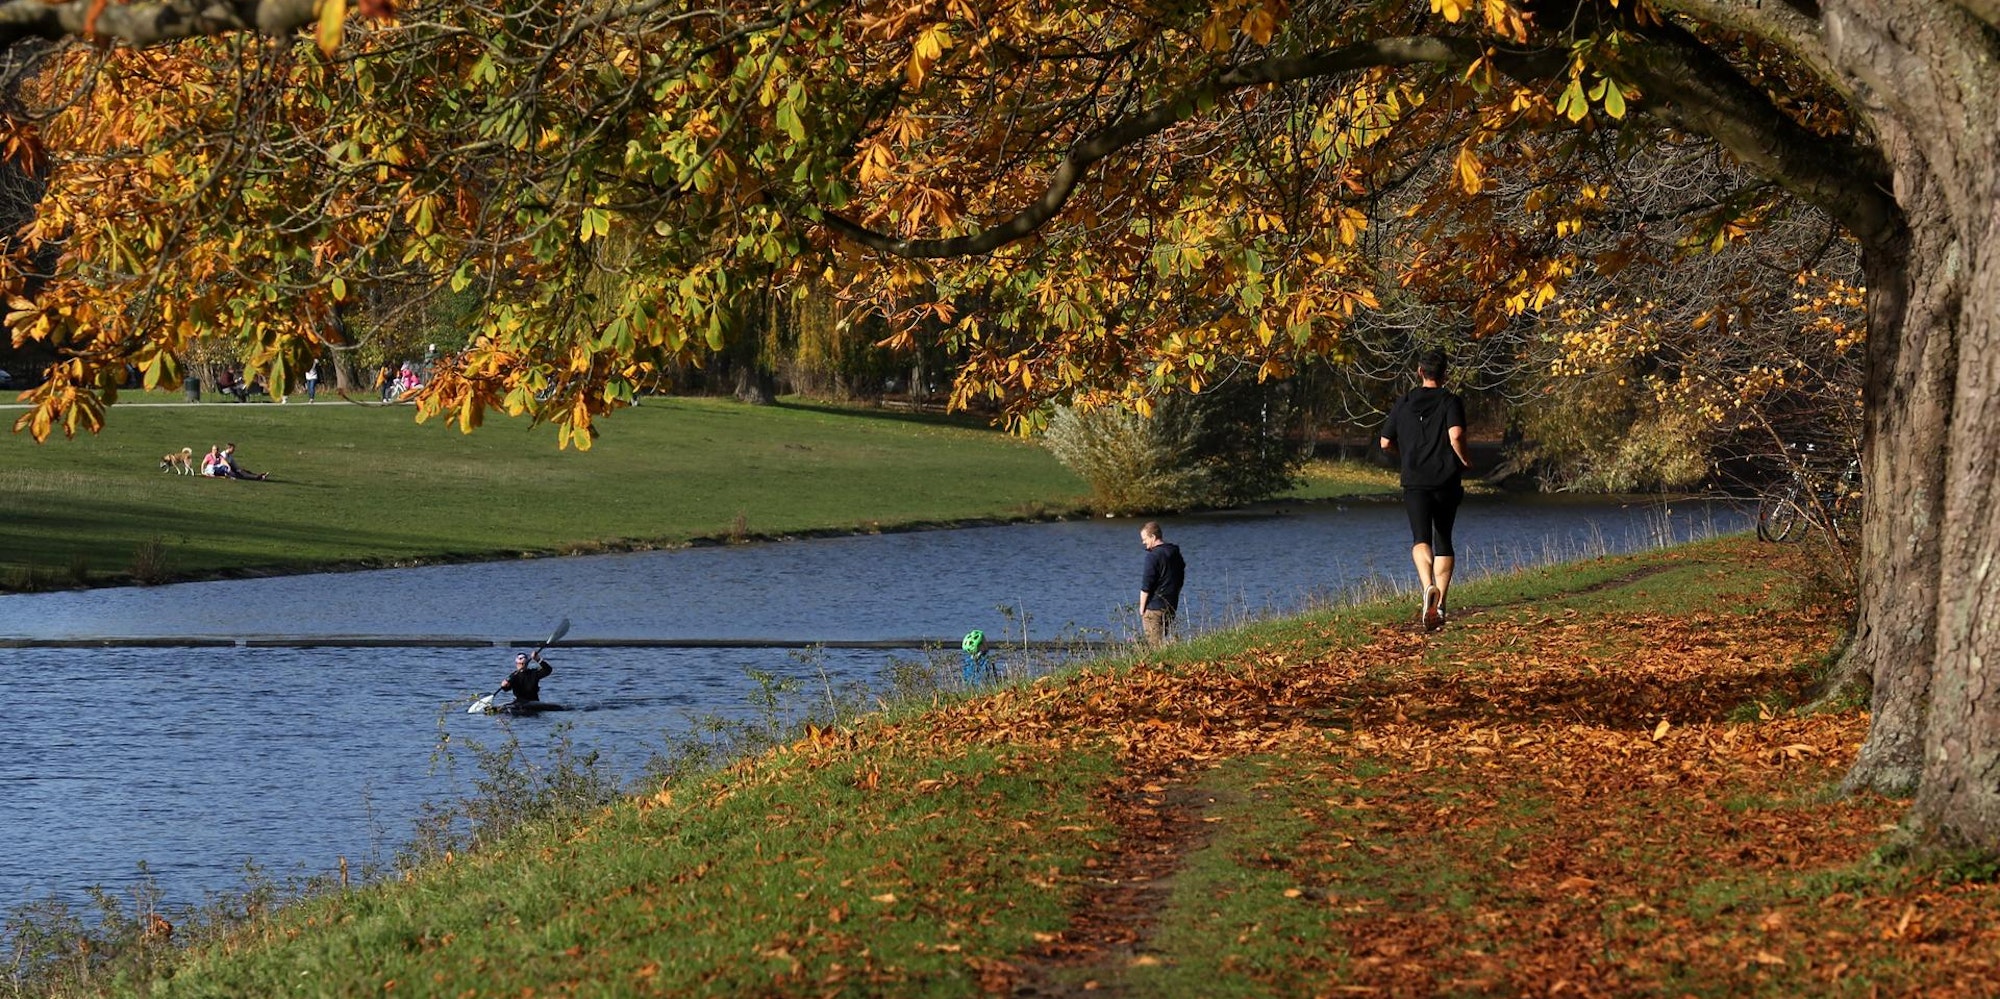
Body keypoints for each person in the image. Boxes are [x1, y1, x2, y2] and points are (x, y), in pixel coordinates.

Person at [1380, 349, 1472, 631]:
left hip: (1414, 480)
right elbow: (1455, 435)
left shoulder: (1404, 402)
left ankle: (1427, 585)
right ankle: (1440, 605)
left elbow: (1384, 442)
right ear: (1446, 374)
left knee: (1420, 538)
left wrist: (1405, 454)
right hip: (1445, 480)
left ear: (1420, 372)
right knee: (1443, 537)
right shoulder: (1451, 401)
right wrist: (1466, 460)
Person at [1138, 521, 1186, 646]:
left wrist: (1142, 608)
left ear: (1153, 537)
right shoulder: (1175, 553)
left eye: (1145, 539)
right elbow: (1180, 578)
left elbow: (1146, 584)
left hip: (1154, 607)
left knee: (1155, 647)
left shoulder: (1153, 557)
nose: (1143, 542)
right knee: (1162, 642)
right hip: (1170, 605)